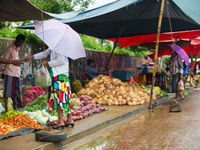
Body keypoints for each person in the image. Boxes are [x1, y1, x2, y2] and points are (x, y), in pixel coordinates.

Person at [24, 49, 74, 129]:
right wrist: (32, 57)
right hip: (63, 76)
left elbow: (61, 60)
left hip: (59, 76)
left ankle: (60, 121)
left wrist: (48, 63)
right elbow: (44, 54)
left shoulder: (59, 47)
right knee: (66, 97)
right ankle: (69, 119)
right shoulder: (55, 47)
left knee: (59, 98)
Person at [0, 34, 25, 112]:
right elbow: (3, 60)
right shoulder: (10, 49)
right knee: (7, 92)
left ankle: (15, 108)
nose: (20, 44)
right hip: (9, 73)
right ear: (16, 40)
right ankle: (7, 109)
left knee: (16, 92)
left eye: (22, 43)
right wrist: (2, 70)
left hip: (16, 74)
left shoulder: (17, 49)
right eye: (20, 42)